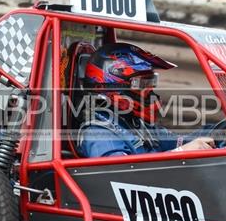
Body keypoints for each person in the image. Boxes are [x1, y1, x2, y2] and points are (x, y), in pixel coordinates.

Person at [76, 43, 217, 158]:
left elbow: (179, 141)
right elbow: (122, 176)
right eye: (142, 85)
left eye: (150, 83)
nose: (150, 92)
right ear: (112, 86)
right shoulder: (99, 132)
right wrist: (181, 152)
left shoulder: (134, 122)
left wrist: (219, 131)